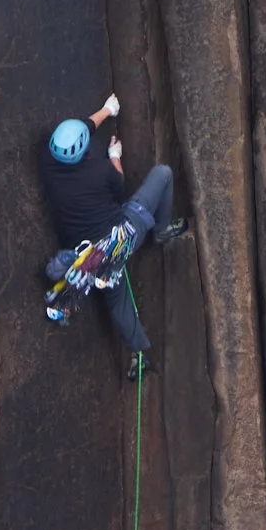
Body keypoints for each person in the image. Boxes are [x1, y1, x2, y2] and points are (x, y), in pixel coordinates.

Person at [40, 95, 187, 374]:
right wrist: (115, 156)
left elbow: (83, 128)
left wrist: (106, 111)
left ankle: (140, 353)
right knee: (163, 174)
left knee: (116, 295)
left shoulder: (47, 160)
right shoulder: (99, 170)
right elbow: (120, 190)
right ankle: (162, 230)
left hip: (86, 252)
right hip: (121, 234)